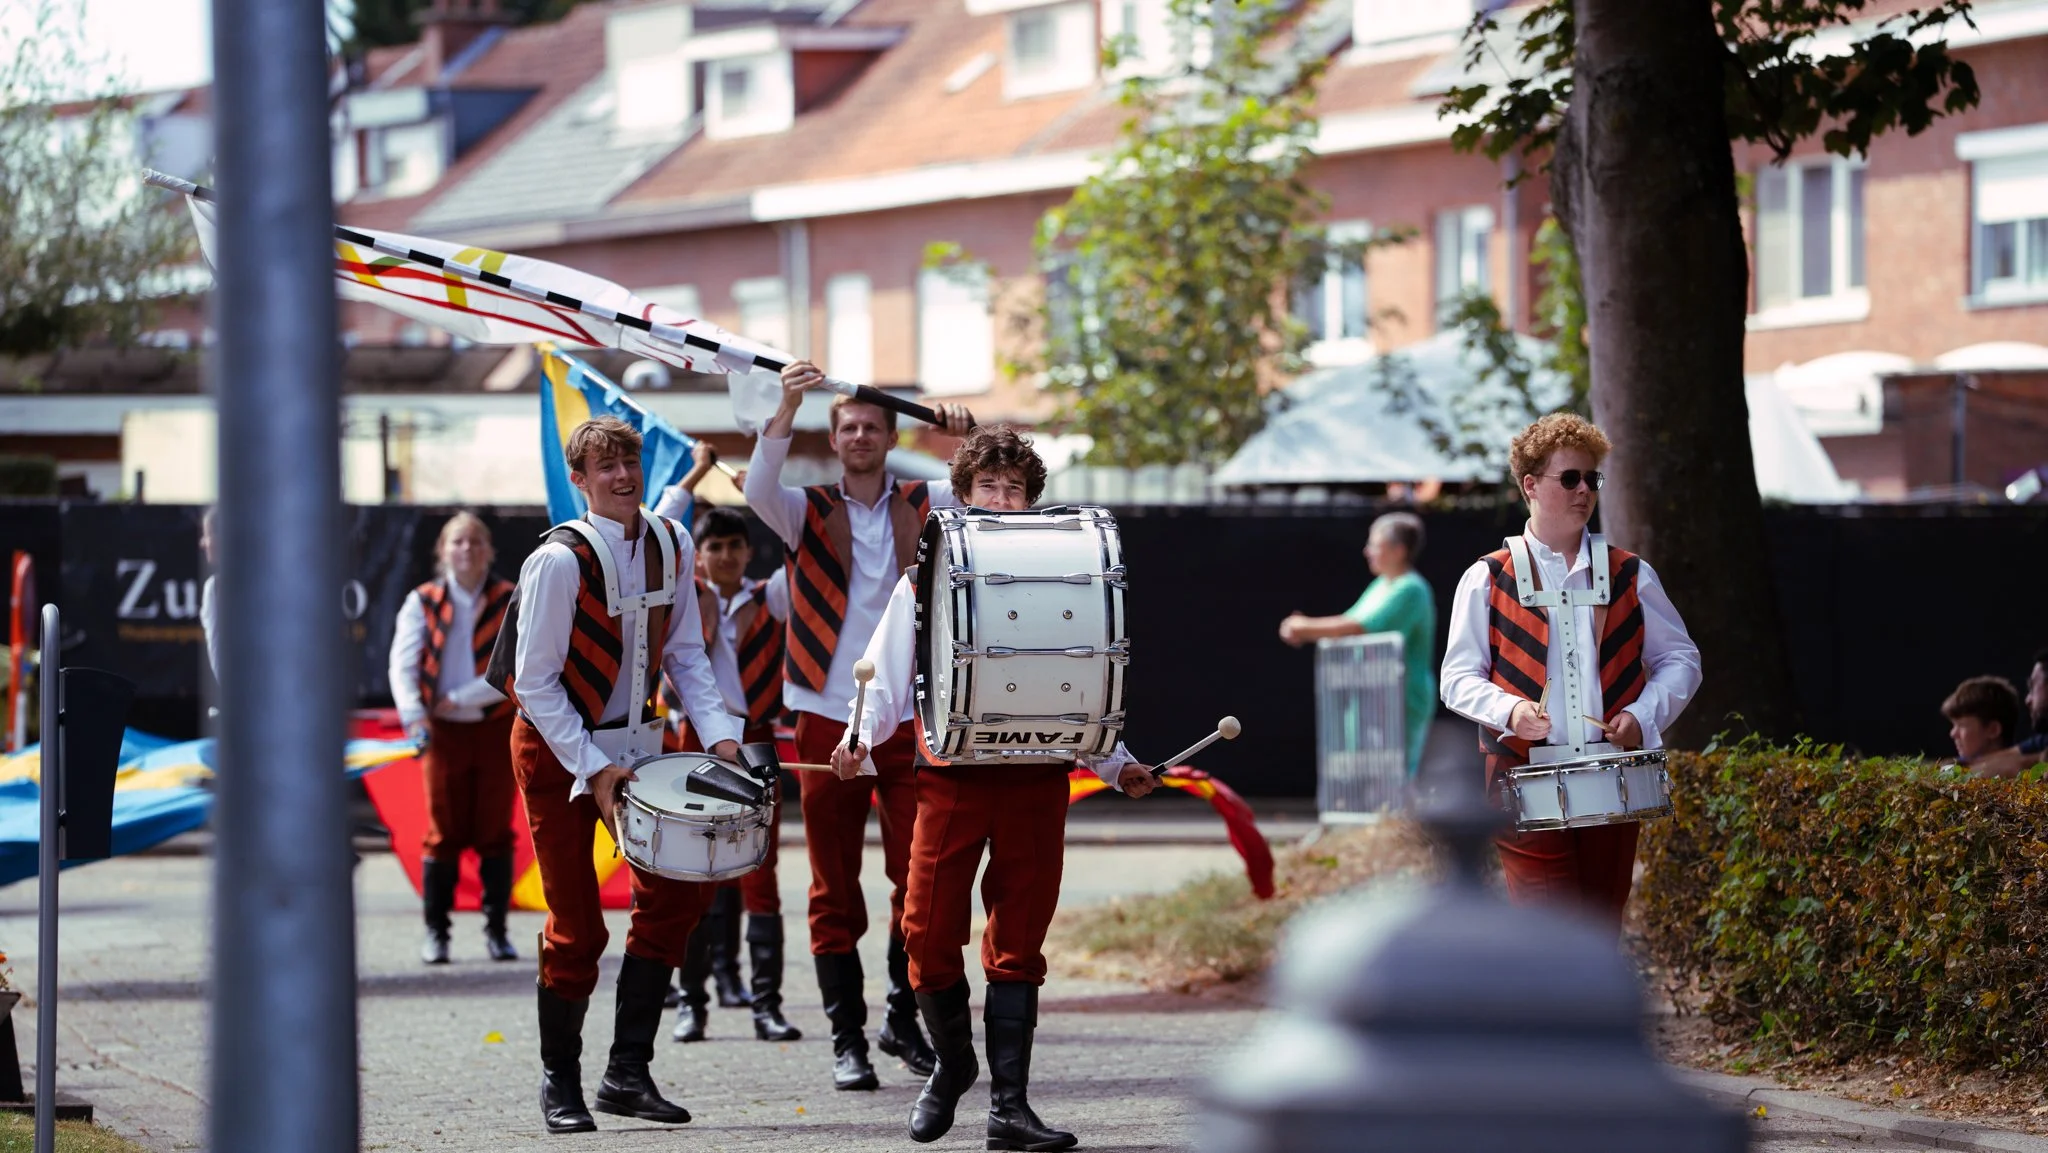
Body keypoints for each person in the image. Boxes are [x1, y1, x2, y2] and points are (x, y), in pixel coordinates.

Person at [829, 424, 1157, 1152]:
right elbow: (884, 674)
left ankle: (1010, 1107)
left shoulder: (1069, 575)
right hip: (953, 780)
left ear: (1032, 498)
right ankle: (952, 1065)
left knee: (1019, 940)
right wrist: (858, 737)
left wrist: (1117, 764)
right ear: (963, 494)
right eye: (989, 486)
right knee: (925, 933)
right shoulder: (923, 578)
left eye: (1014, 488)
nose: (1003, 499)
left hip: (1038, 780)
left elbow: (1081, 679)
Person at [493, 416, 743, 1134]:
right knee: (576, 927)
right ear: (580, 480)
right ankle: (560, 1080)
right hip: (557, 752)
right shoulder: (559, 561)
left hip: (640, 748)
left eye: (629, 460)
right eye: (605, 466)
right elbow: (533, 684)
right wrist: (595, 769)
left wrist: (722, 738)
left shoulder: (673, 542)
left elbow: (687, 655)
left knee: (674, 901)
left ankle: (627, 1073)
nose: (623, 475)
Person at [744, 360, 971, 1090]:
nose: (861, 436)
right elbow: (756, 487)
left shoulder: (928, 500)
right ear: (835, 439)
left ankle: (901, 1016)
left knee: (917, 878)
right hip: (823, 714)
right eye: (849, 427)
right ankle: (847, 1039)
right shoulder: (803, 509)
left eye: (873, 426)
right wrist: (786, 407)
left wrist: (959, 440)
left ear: (892, 436)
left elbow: (991, 491)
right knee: (833, 884)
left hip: (908, 714)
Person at [1439, 413, 1702, 933]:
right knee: (1547, 928)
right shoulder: (1487, 576)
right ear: (1531, 485)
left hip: (1612, 775)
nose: (1585, 490)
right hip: (1521, 777)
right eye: (1570, 478)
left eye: (1592, 478)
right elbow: (1457, 677)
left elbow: (1681, 659)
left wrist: (1642, 715)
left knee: (1602, 927)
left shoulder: (1631, 572)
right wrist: (1510, 711)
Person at [667, 505, 803, 1046]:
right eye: (715, 547)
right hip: (693, 743)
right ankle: (691, 1006)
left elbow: (804, 550)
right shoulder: (682, 597)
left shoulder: (770, 596)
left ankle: (767, 1007)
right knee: (693, 876)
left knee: (760, 875)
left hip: (754, 742)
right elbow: (658, 526)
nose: (725, 556)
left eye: (734, 546)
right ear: (698, 556)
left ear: (748, 552)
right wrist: (691, 480)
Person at [386, 512, 519, 965]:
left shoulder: (510, 599)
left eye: (476, 541)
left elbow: (517, 667)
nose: (467, 549)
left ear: (489, 551)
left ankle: (497, 931)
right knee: (442, 832)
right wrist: (414, 717)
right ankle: (436, 932)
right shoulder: (422, 600)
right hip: (441, 732)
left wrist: (460, 696)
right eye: (458, 541)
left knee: (495, 832)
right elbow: (402, 665)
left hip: (495, 725)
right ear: (442, 550)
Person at [1278, 511, 1438, 775]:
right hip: (1374, 697)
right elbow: (1349, 623)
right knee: (1370, 776)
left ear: (1398, 550)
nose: (1367, 551)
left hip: (1402, 698)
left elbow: (1356, 628)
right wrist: (1305, 629)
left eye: (1374, 544)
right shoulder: (1381, 585)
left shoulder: (1411, 589)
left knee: (1397, 776)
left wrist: (1304, 627)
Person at [1969, 653, 2048, 778]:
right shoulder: (2043, 740)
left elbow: (2018, 764)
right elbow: (2009, 757)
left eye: (2033, 687)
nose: (2028, 699)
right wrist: (1959, 764)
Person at [1942, 674, 2021, 768]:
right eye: (1954, 725)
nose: (1953, 734)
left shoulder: (2023, 773)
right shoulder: (1952, 768)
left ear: (1993, 730)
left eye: (1962, 725)